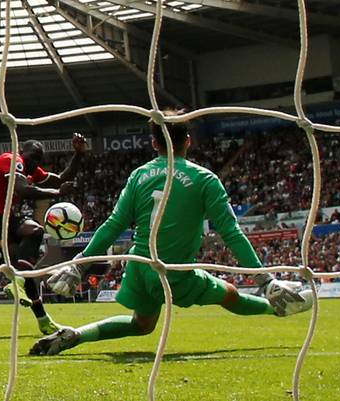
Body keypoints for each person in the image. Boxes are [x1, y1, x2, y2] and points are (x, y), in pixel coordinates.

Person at [30, 109, 313, 356]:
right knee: (230, 294)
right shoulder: (205, 179)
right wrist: (264, 279)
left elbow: (113, 225)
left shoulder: (139, 175)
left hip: (139, 267)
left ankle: (76, 335)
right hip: (174, 273)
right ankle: (276, 307)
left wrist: (80, 265)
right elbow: (231, 233)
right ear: (188, 141)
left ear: (154, 143)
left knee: (141, 325)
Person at [0, 133, 87, 334]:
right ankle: (43, 319)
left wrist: (79, 154)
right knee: (19, 267)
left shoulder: (31, 169)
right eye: (32, 157)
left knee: (35, 233)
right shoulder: (11, 160)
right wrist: (57, 194)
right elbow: (22, 189)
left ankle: (20, 284)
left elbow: (62, 178)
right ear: (22, 152)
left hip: (5, 219)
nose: (35, 163)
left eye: (39, 160)